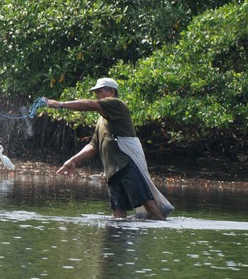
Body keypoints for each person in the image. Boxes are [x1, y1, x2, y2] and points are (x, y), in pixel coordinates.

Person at [42, 78, 173, 220]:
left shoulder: (117, 104)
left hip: (127, 163)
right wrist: (73, 160)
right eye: (95, 92)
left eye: (100, 91)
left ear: (112, 91)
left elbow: (91, 104)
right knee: (118, 213)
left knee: (148, 202)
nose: (97, 95)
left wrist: (59, 104)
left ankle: (160, 230)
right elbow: (93, 146)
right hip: (113, 170)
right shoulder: (101, 120)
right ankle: (116, 241)